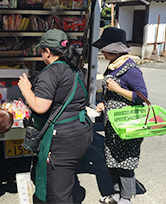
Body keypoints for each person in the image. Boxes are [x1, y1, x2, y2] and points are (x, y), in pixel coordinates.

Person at [18, 29, 93, 204]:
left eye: (41, 51)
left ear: (47, 51)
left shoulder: (51, 72)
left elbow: (40, 106)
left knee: (57, 194)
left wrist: (26, 89)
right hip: (81, 132)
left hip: (63, 140)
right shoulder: (75, 69)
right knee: (64, 182)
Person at [92, 27, 148, 204]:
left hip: (127, 125)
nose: (102, 51)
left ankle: (126, 198)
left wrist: (119, 89)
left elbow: (142, 96)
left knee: (125, 163)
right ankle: (117, 194)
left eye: (105, 48)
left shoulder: (130, 68)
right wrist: (104, 103)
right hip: (113, 125)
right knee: (112, 160)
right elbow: (111, 94)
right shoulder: (113, 66)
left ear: (115, 49)